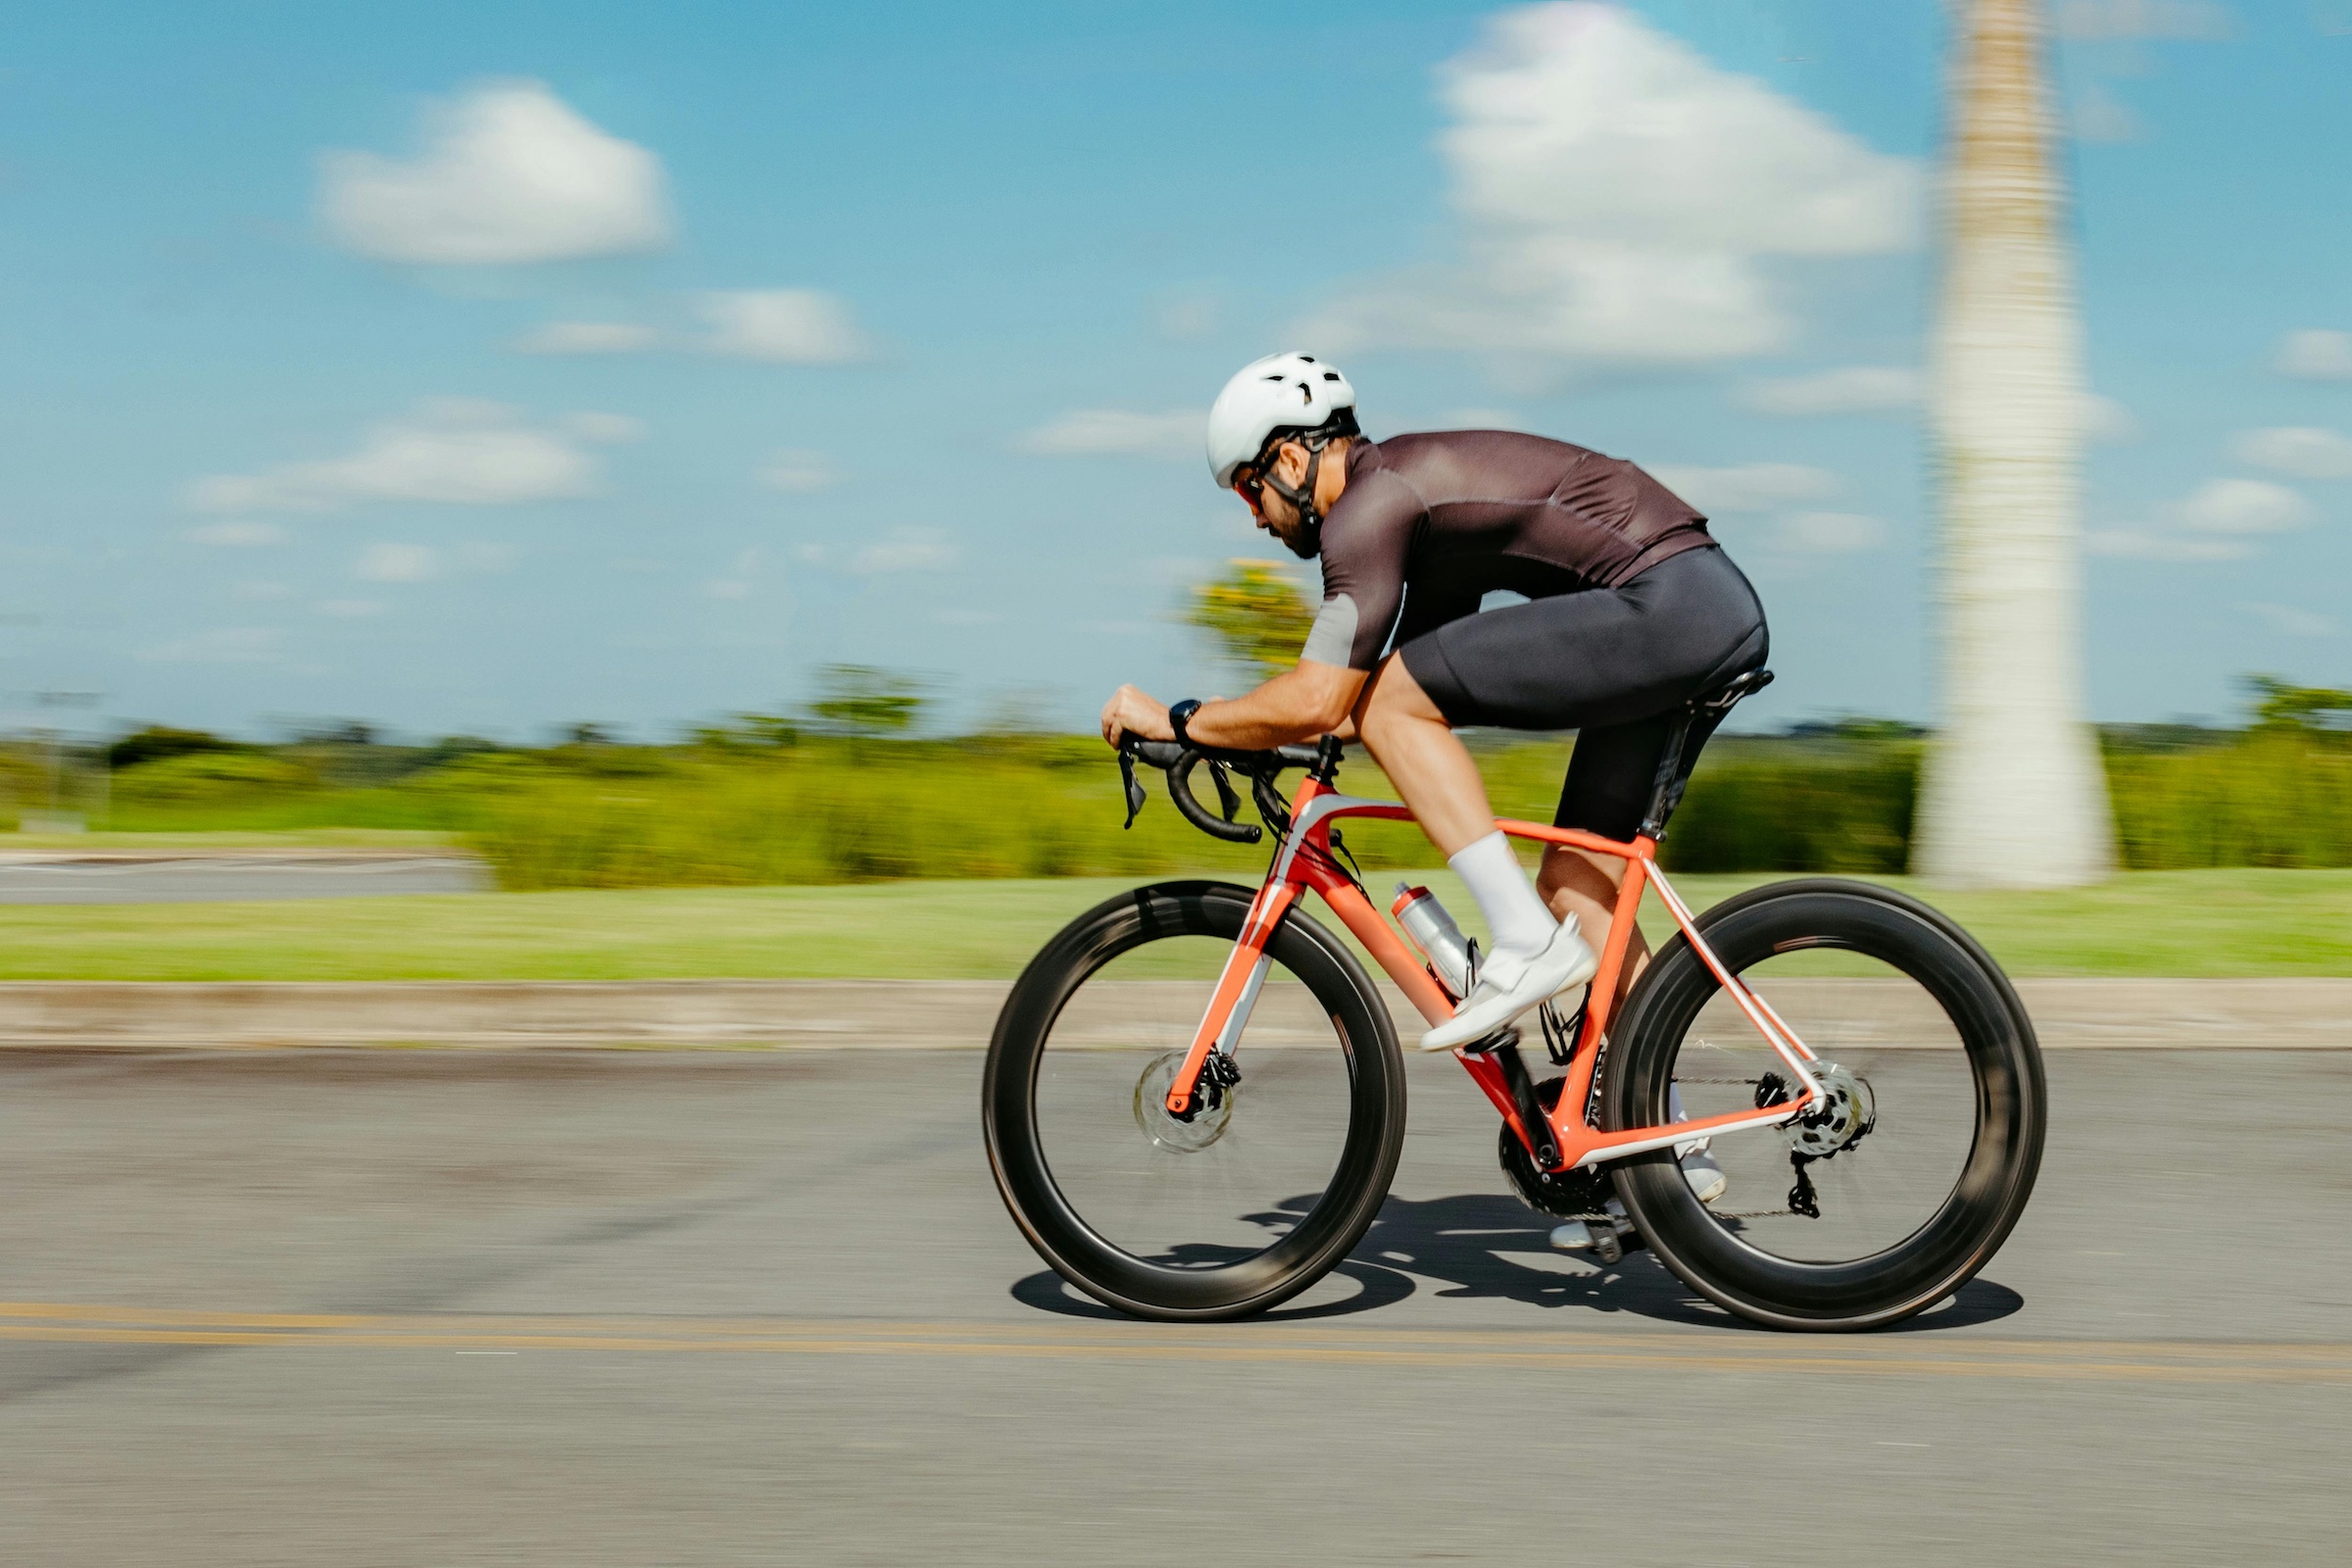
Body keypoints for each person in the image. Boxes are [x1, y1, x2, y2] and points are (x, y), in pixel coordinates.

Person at [1100, 352, 1767, 1208]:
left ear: (1293, 460)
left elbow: (1335, 700)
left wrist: (1181, 721)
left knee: (1398, 715)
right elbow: (1352, 700)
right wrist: (1240, 726)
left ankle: (1522, 943)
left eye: (1247, 489)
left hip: (1670, 607)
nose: (1255, 519)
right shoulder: (1416, 505)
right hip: (1688, 607)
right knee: (1578, 882)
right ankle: (1664, 1154)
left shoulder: (1372, 505)